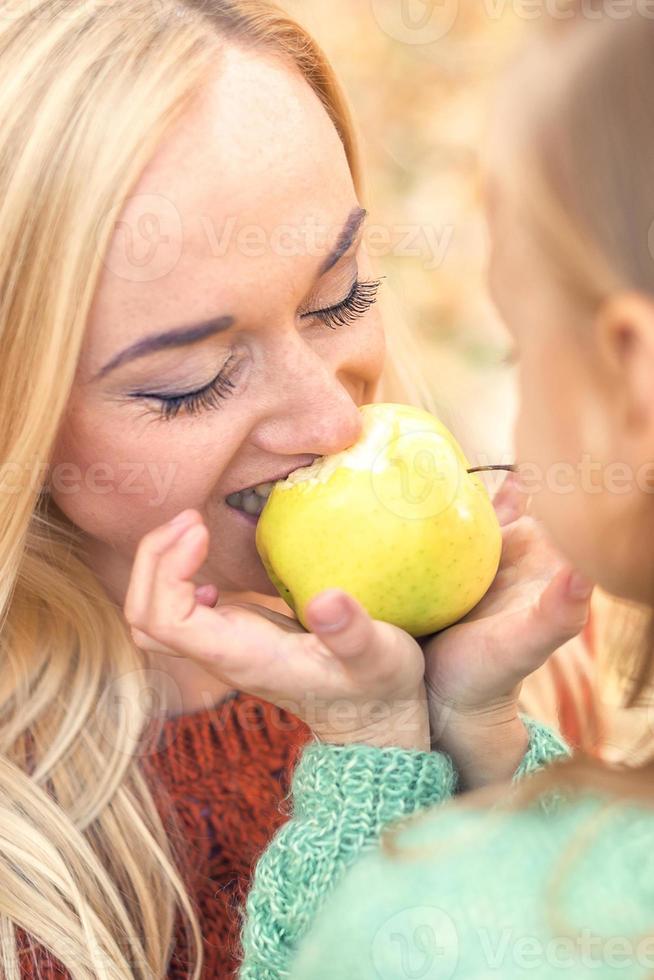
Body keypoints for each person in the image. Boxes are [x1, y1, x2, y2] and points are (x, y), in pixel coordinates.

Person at [1, 0, 591, 977]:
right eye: (189, 382)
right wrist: (370, 759)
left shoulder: (496, 632)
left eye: (341, 296)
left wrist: (477, 742)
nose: (331, 424)